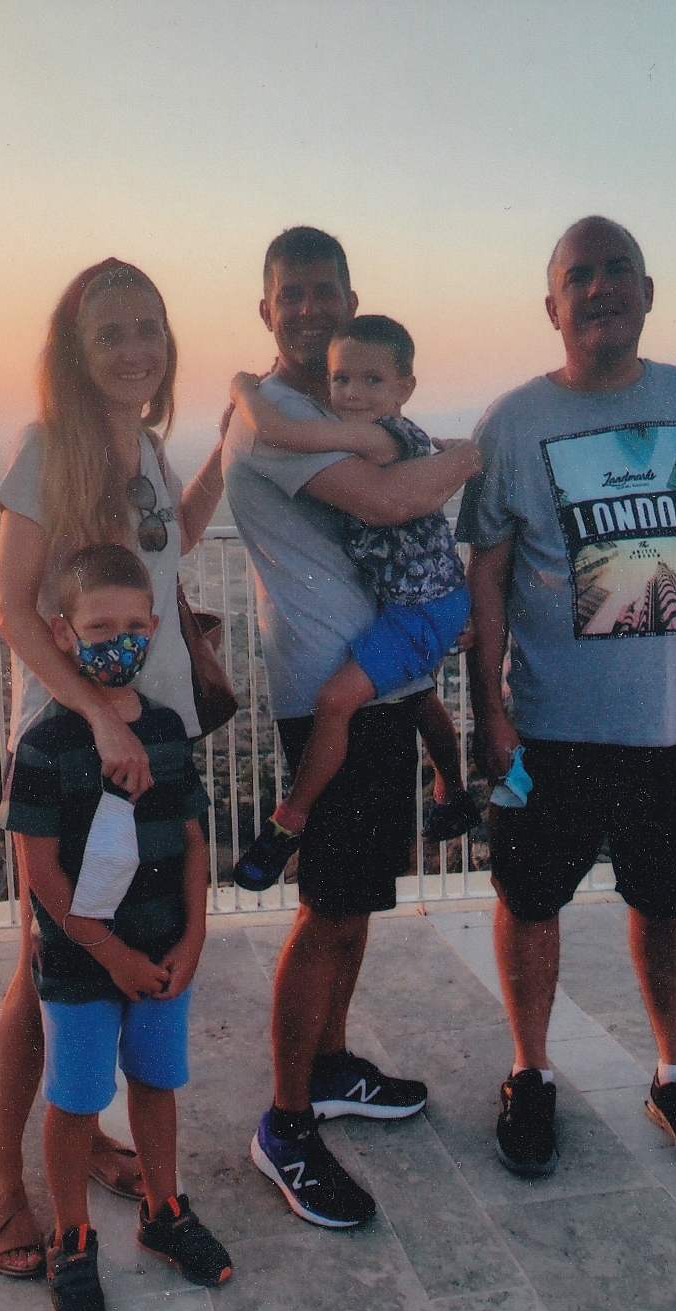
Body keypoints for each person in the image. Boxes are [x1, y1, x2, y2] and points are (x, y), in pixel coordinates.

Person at [458, 216, 676, 1182]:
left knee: (667, 905)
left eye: (618, 271)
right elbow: (487, 580)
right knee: (529, 901)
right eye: (580, 276)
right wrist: (489, 711)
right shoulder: (512, 423)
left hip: (675, 725)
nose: (600, 288)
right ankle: (530, 1073)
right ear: (551, 305)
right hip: (549, 728)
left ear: (648, 291)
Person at [220, 226, 482, 1228]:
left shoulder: (323, 407)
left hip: (376, 680)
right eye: (290, 294)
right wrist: (466, 457)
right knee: (327, 910)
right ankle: (285, 1123)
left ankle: (327, 1067)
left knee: (355, 899)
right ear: (266, 308)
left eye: (323, 291)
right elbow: (382, 502)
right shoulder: (279, 418)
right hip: (326, 684)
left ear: (349, 299)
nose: (308, 308)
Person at [0, 258, 227, 1278]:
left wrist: (228, 450)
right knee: (48, 963)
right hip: (75, 744)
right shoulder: (48, 449)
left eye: (147, 329)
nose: (134, 351)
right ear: (75, 353)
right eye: (109, 333)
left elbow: (174, 544)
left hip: (147, 735)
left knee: (131, 939)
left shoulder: (147, 448)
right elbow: (12, 608)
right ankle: (4, 1175)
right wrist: (95, 719)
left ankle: (84, 1142)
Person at [0, 543, 232, 1311]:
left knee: (157, 1085)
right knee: (75, 1101)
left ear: (155, 628)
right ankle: (73, 1238)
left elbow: (193, 840)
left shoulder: (165, 729)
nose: (118, 641)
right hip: (80, 966)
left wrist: (193, 939)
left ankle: (165, 1211)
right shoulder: (44, 745)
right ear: (63, 634)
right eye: (100, 628)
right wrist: (112, 954)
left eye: (134, 627)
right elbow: (41, 874)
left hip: (163, 954)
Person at [226, 313, 475, 892]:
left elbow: (279, 432)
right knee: (417, 694)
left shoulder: (377, 436)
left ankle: (289, 820)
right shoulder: (393, 433)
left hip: (420, 608)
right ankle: (453, 791)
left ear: (404, 388)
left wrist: (241, 390)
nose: (352, 394)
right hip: (423, 600)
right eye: (341, 380)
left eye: (371, 380)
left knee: (336, 700)